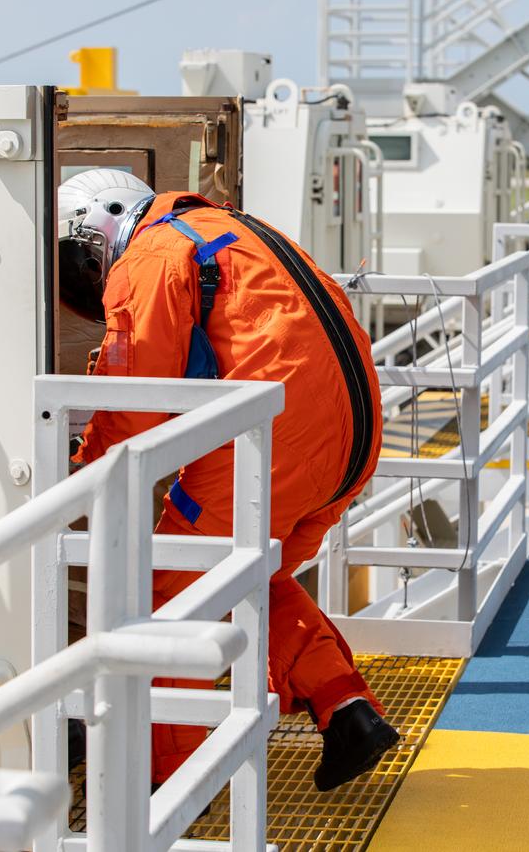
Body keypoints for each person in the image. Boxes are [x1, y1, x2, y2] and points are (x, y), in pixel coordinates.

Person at [59, 168, 399, 792]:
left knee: (166, 605)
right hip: (351, 441)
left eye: (82, 256)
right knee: (250, 577)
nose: (87, 273)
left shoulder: (154, 252)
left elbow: (134, 396)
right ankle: (348, 710)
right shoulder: (238, 227)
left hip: (278, 444)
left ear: (103, 225)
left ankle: (165, 794)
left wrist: (80, 471)